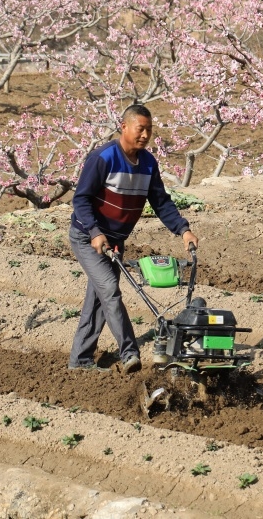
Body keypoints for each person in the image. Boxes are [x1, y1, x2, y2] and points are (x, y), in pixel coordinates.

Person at [68, 104, 199, 373]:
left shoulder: (148, 164)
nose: (145, 135)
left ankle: (80, 361)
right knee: (110, 292)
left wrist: (183, 229)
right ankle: (129, 353)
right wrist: (94, 231)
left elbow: (161, 202)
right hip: (88, 237)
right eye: (141, 129)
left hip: (115, 242)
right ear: (124, 127)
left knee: (99, 299)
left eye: (149, 130)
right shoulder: (103, 158)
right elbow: (81, 199)